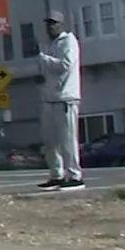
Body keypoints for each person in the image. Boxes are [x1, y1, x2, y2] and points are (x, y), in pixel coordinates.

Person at [38, 10, 84, 191]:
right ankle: (56, 174)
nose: (51, 26)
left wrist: (44, 59)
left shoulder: (69, 42)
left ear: (61, 24)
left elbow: (65, 64)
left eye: (54, 23)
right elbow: (50, 69)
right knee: (50, 141)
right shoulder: (50, 45)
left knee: (68, 139)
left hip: (66, 98)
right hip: (50, 98)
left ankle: (75, 175)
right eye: (49, 23)